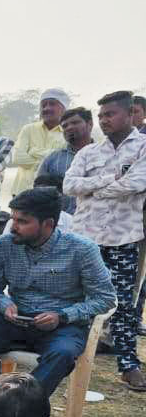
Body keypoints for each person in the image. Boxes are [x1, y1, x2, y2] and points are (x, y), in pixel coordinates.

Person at [0, 187, 116, 397]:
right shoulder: (2, 245)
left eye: (22, 221)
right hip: (14, 320)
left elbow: (105, 298)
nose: (12, 227)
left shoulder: (82, 250)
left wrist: (63, 316)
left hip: (63, 326)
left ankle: (21, 404)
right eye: (13, 219)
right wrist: (4, 304)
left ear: (48, 224)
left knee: (62, 354)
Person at [62, 90, 146, 391]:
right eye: (101, 116)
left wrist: (95, 189)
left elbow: (138, 182)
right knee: (75, 297)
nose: (104, 120)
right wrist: (108, 181)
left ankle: (128, 365)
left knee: (123, 304)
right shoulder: (88, 153)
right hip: (85, 238)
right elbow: (69, 185)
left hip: (123, 239)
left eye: (109, 114)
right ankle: (64, 356)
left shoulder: (143, 148)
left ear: (131, 112)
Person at [36, 107, 95, 216]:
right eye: (64, 126)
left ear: (90, 124)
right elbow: (39, 195)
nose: (69, 128)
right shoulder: (52, 159)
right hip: (63, 222)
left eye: (75, 123)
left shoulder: (106, 155)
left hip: (98, 222)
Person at [12, 88, 70, 195]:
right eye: (43, 105)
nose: (46, 108)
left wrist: (33, 151)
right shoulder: (28, 129)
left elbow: (62, 166)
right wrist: (49, 161)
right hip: (22, 193)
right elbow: (17, 158)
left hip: (52, 196)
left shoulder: (68, 133)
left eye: (52, 104)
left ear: (64, 109)